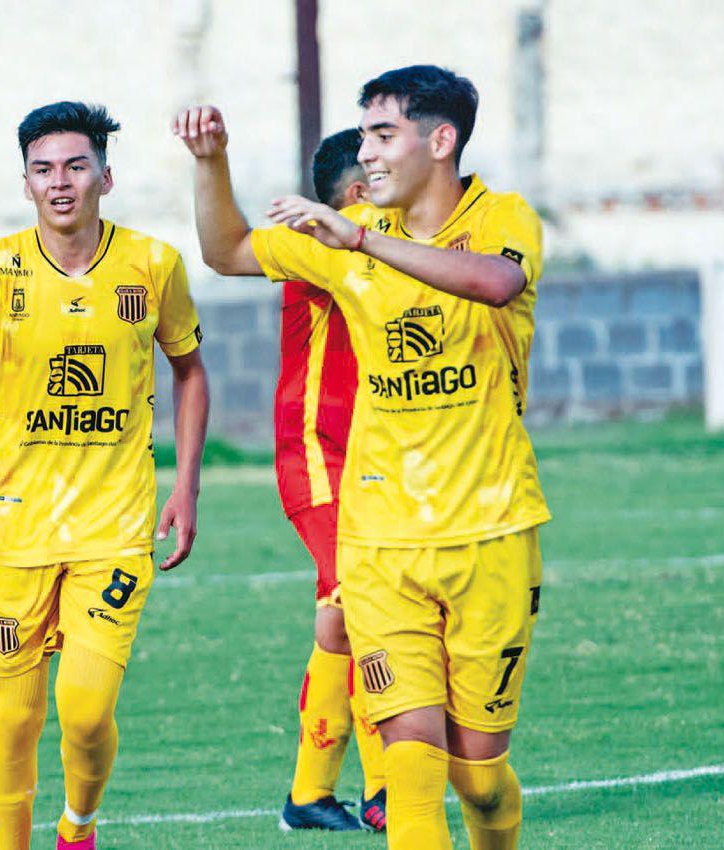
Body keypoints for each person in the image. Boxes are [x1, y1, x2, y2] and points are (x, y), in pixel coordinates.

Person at [176, 64, 547, 849]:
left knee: (477, 781)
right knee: (411, 778)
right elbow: (228, 249)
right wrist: (211, 163)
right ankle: (319, 789)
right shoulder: (341, 244)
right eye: (367, 136)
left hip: (491, 534)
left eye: (384, 135)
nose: (367, 154)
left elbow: (493, 282)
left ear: (440, 142)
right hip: (379, 543)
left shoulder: (502, 217)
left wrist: (366, 242)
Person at [0, 101, 210, 850]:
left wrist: (188, 482)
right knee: (14, 719)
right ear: (26, 183)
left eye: (74, 165)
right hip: (17, 529)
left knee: (87, 709)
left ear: (105, 175)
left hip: (116, 525)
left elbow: (190, 373)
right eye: (43, 169)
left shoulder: (152, 265)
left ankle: (79, 824)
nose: (59, 182)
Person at [275, 128, 387, 833]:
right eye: (378, 172)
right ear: (354, 196)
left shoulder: (376, 245)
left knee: (344, 616)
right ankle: (382, 790)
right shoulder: (321, 244)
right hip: (317, 450)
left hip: (370, 458)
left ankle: (310, 797)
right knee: (363, 603)